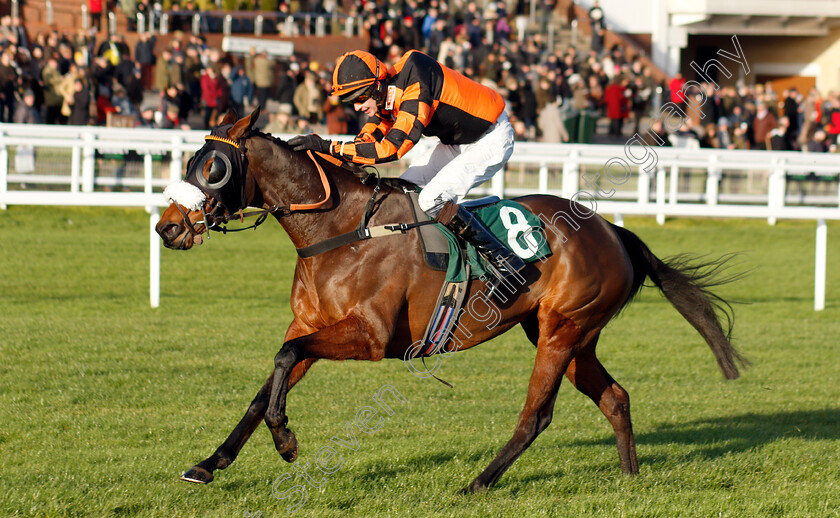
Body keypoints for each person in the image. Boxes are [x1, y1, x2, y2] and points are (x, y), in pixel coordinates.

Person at [287, 49, 525, 282]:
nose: (357, 107)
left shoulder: (415, 85)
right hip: (460, 141)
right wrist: (328, 155)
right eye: (351, 101)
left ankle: (502, 259)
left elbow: (392, 149)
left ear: (377, 87)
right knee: (404, 191)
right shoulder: (389, 92)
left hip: (491, 138)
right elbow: (369, 136)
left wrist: (329, 146)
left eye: (359, 98)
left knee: (431, 199)